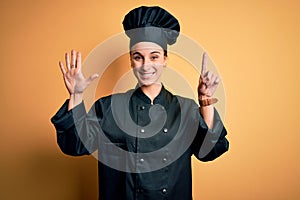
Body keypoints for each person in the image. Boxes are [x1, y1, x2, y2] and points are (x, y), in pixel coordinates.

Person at [51, 6, 229, 200]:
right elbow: (74, 145)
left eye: (154, 57)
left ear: (165, 60)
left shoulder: (186, 109)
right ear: (131, 61)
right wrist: (76, 96)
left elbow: (210, 151)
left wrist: (205, 101)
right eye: (138, 57)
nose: (146, 65)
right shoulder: (108, 107)